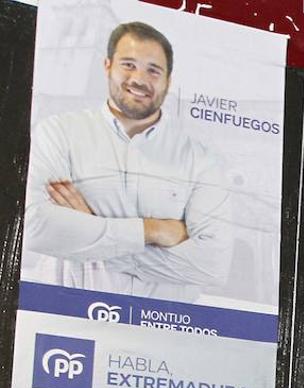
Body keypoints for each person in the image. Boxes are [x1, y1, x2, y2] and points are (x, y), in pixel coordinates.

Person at [22, 21, 231, 301]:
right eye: (128, 65)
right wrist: (152, 230)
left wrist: (91, 234)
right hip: (61, 314)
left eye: (153, 70)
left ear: (169, 80)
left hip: (162, 326)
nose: (140, 79)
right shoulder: (60, 133)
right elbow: (35, 229)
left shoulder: (201, 159)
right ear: (107, 65)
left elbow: (213, 267)